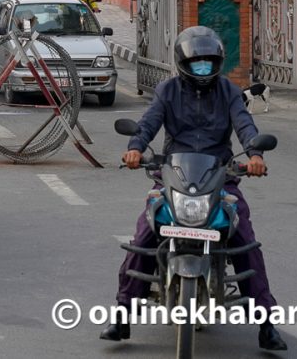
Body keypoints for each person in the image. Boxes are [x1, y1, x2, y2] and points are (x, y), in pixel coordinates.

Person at [100, 26, 287, 351]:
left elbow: (244, 124)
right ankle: (122, 314)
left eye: (209, 62)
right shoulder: (167, 91)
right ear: (183, 62)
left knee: (244, 239)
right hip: (173, 174)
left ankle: (267, 323)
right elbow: (148, 123)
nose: (204, 68)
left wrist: (254, 154)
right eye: (197, 62)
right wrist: (135, 149)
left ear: (218, 63)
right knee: (146, 235)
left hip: (220, 175)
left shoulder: (228, 91)